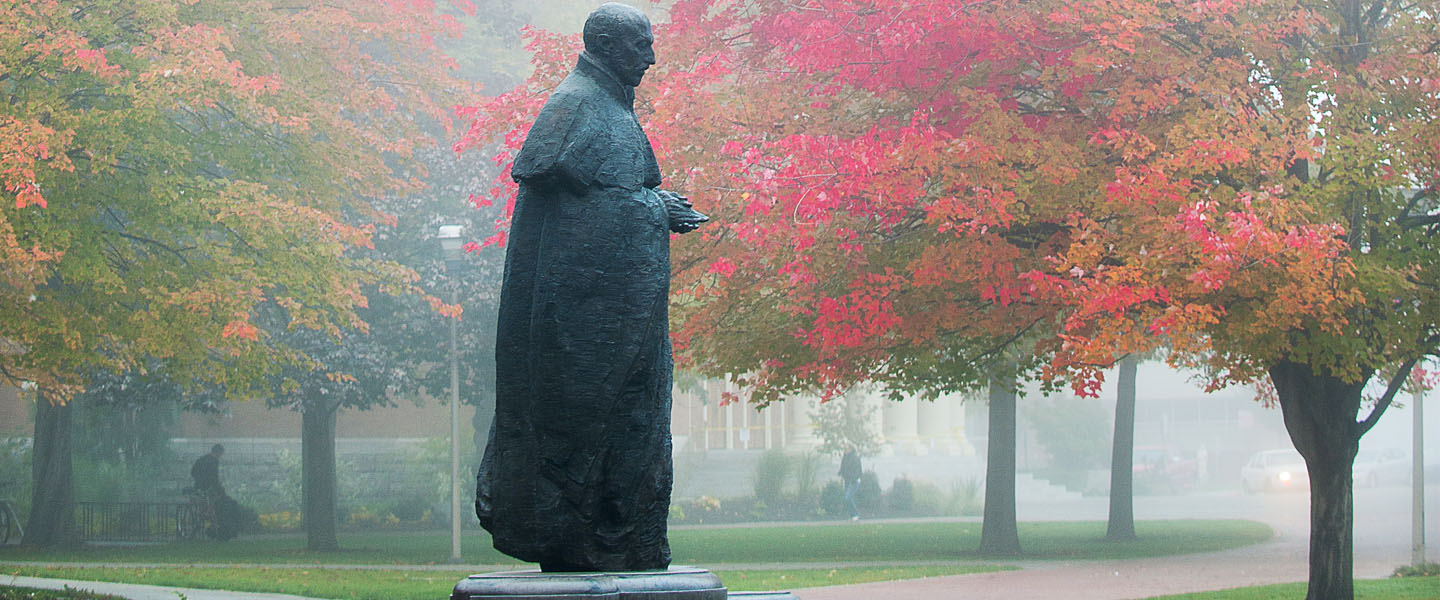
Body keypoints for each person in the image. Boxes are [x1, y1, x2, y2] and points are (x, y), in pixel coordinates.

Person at [475, 3, 706, 573]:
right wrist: (655, 210)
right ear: (604, 45)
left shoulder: (611, 109)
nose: (651, 58)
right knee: (590, 436)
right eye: (639, 46)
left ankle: (626, 542)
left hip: (628, 325)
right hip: (580, 334)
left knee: (637, 429)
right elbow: (581, 224)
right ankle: (590, 538)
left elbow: (605, 201)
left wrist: (650, 207)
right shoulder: (574, 106)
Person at [189, 444, 247, 541]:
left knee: (205, 503)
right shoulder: (214, 461)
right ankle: (213, 522)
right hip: (209, 487)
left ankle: (206, 515)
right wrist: (221, 490)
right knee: (217, 501)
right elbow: (214, 478)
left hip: (199, 486)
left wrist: (199, 480)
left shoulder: (201, 459)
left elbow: (193, 472)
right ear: (219, 453)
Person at [839, 444, 862, 521]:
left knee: (848, 497)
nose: (845, 450)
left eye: (846, 448)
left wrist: (853, 478)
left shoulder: (855, 458)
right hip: (847, 480)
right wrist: (841, 473)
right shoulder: (845, 458)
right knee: (847, 498)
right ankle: (852, 515)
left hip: (854, 481)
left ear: (851, 449)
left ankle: (855, 514)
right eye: (844, 448)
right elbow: (843, 467)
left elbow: (858, 470)